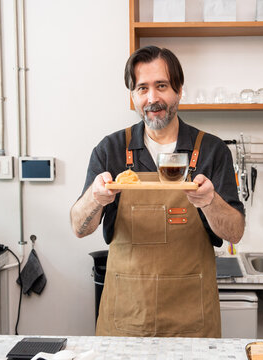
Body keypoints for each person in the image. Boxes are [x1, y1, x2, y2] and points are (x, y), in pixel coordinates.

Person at [70, 45, 245, 337]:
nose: (153, 98)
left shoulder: (212, 150)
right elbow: (79, 227)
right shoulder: (110, 149)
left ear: (178, 90)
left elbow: (235, 232)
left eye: (161, 86)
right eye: (142, 88)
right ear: (133, 96)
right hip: (126, 315)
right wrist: (95, 198)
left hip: (192, 319)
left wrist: (210, 201)